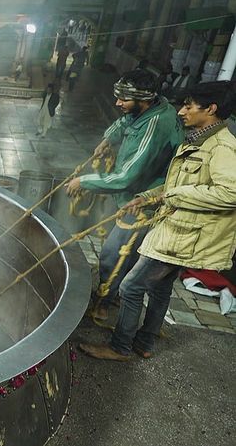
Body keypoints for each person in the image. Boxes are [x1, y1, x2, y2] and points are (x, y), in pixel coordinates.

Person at [81, 81, 236, 361]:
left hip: (184, 234)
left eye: (189, 105)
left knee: (131, 287)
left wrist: (175, 195)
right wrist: (148, 197)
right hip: (179, 227)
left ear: (211, 109)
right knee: (161, 288)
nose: (181, 112)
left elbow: (230, 192)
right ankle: (146, 342)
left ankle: (121, 347)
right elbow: (178, 182)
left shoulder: (223, 148)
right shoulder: (199, 138)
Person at [66, 70, 183, 318]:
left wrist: (83, 181)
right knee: (120, 249)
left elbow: (126, 178)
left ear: (144, 99)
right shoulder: (152, 107)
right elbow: (125, 121)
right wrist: (109, 139)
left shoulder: (155, 125)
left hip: (142, 201)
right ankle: (112, 292)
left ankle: (105, 301)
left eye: (124, 99)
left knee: (114, 252)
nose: (118, 103)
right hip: (130, 195)